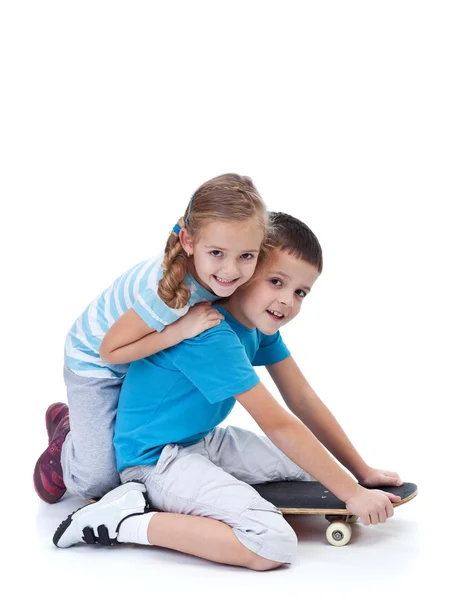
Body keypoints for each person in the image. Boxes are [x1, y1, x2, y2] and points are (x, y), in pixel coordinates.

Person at [53, 212, 403, 571]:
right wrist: (352, 494)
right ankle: (123, 523)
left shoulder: (257, 325)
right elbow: (278, 424)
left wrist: (358, 472)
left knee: (315, 468)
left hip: (200, 441)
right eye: (276, 281)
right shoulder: (210, 334)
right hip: (155, 461)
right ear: (247, 272)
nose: (287, 301)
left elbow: (303, 400)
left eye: (300, 292)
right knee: (271, 543)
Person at [33, 173, 270, 503]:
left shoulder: (218, 276)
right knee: (97, 482)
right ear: (189, 242)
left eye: (246, 256)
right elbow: (110, 351)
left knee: (129, 465)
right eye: (216, 253)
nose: (231, 270)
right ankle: (66, 435)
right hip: (95, 365)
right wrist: (180, 330)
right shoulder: (169, 293)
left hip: (142, 356)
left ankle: (92, 436)